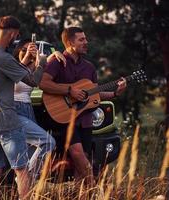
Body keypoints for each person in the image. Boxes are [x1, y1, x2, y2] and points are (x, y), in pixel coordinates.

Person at [0, 16, 47, 200]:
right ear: (12, 33)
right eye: (16, 36)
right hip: (7, 124)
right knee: (22, 170)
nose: (16, 39)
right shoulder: (2, 57)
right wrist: (41, 62)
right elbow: (33, 81)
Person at [39, 27, 127, 185]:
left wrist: (115, 93)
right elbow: (44, 84)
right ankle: (95, 190)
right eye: (82, 40)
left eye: (86, 39)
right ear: (70, 42)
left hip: (85, 120)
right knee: (77, 152)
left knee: (81, 162)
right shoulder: (57, 62)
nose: (86, 42)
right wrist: (69, 90)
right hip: (64, 118)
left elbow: (94, 94)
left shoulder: (89, 67)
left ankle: (82, 195)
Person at [12, 39, 66, 180]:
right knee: (47, 142)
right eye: (24, 50)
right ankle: (26, 178)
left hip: (28, 109)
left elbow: (42, 64)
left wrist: (55, 54)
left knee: (31, 153)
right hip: (15, 110)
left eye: (30, 50)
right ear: (18, 51)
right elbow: (14, 78)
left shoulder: (31, 69)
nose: (27, 53)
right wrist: (27, 57)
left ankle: (27, 184)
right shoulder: (13, 67)